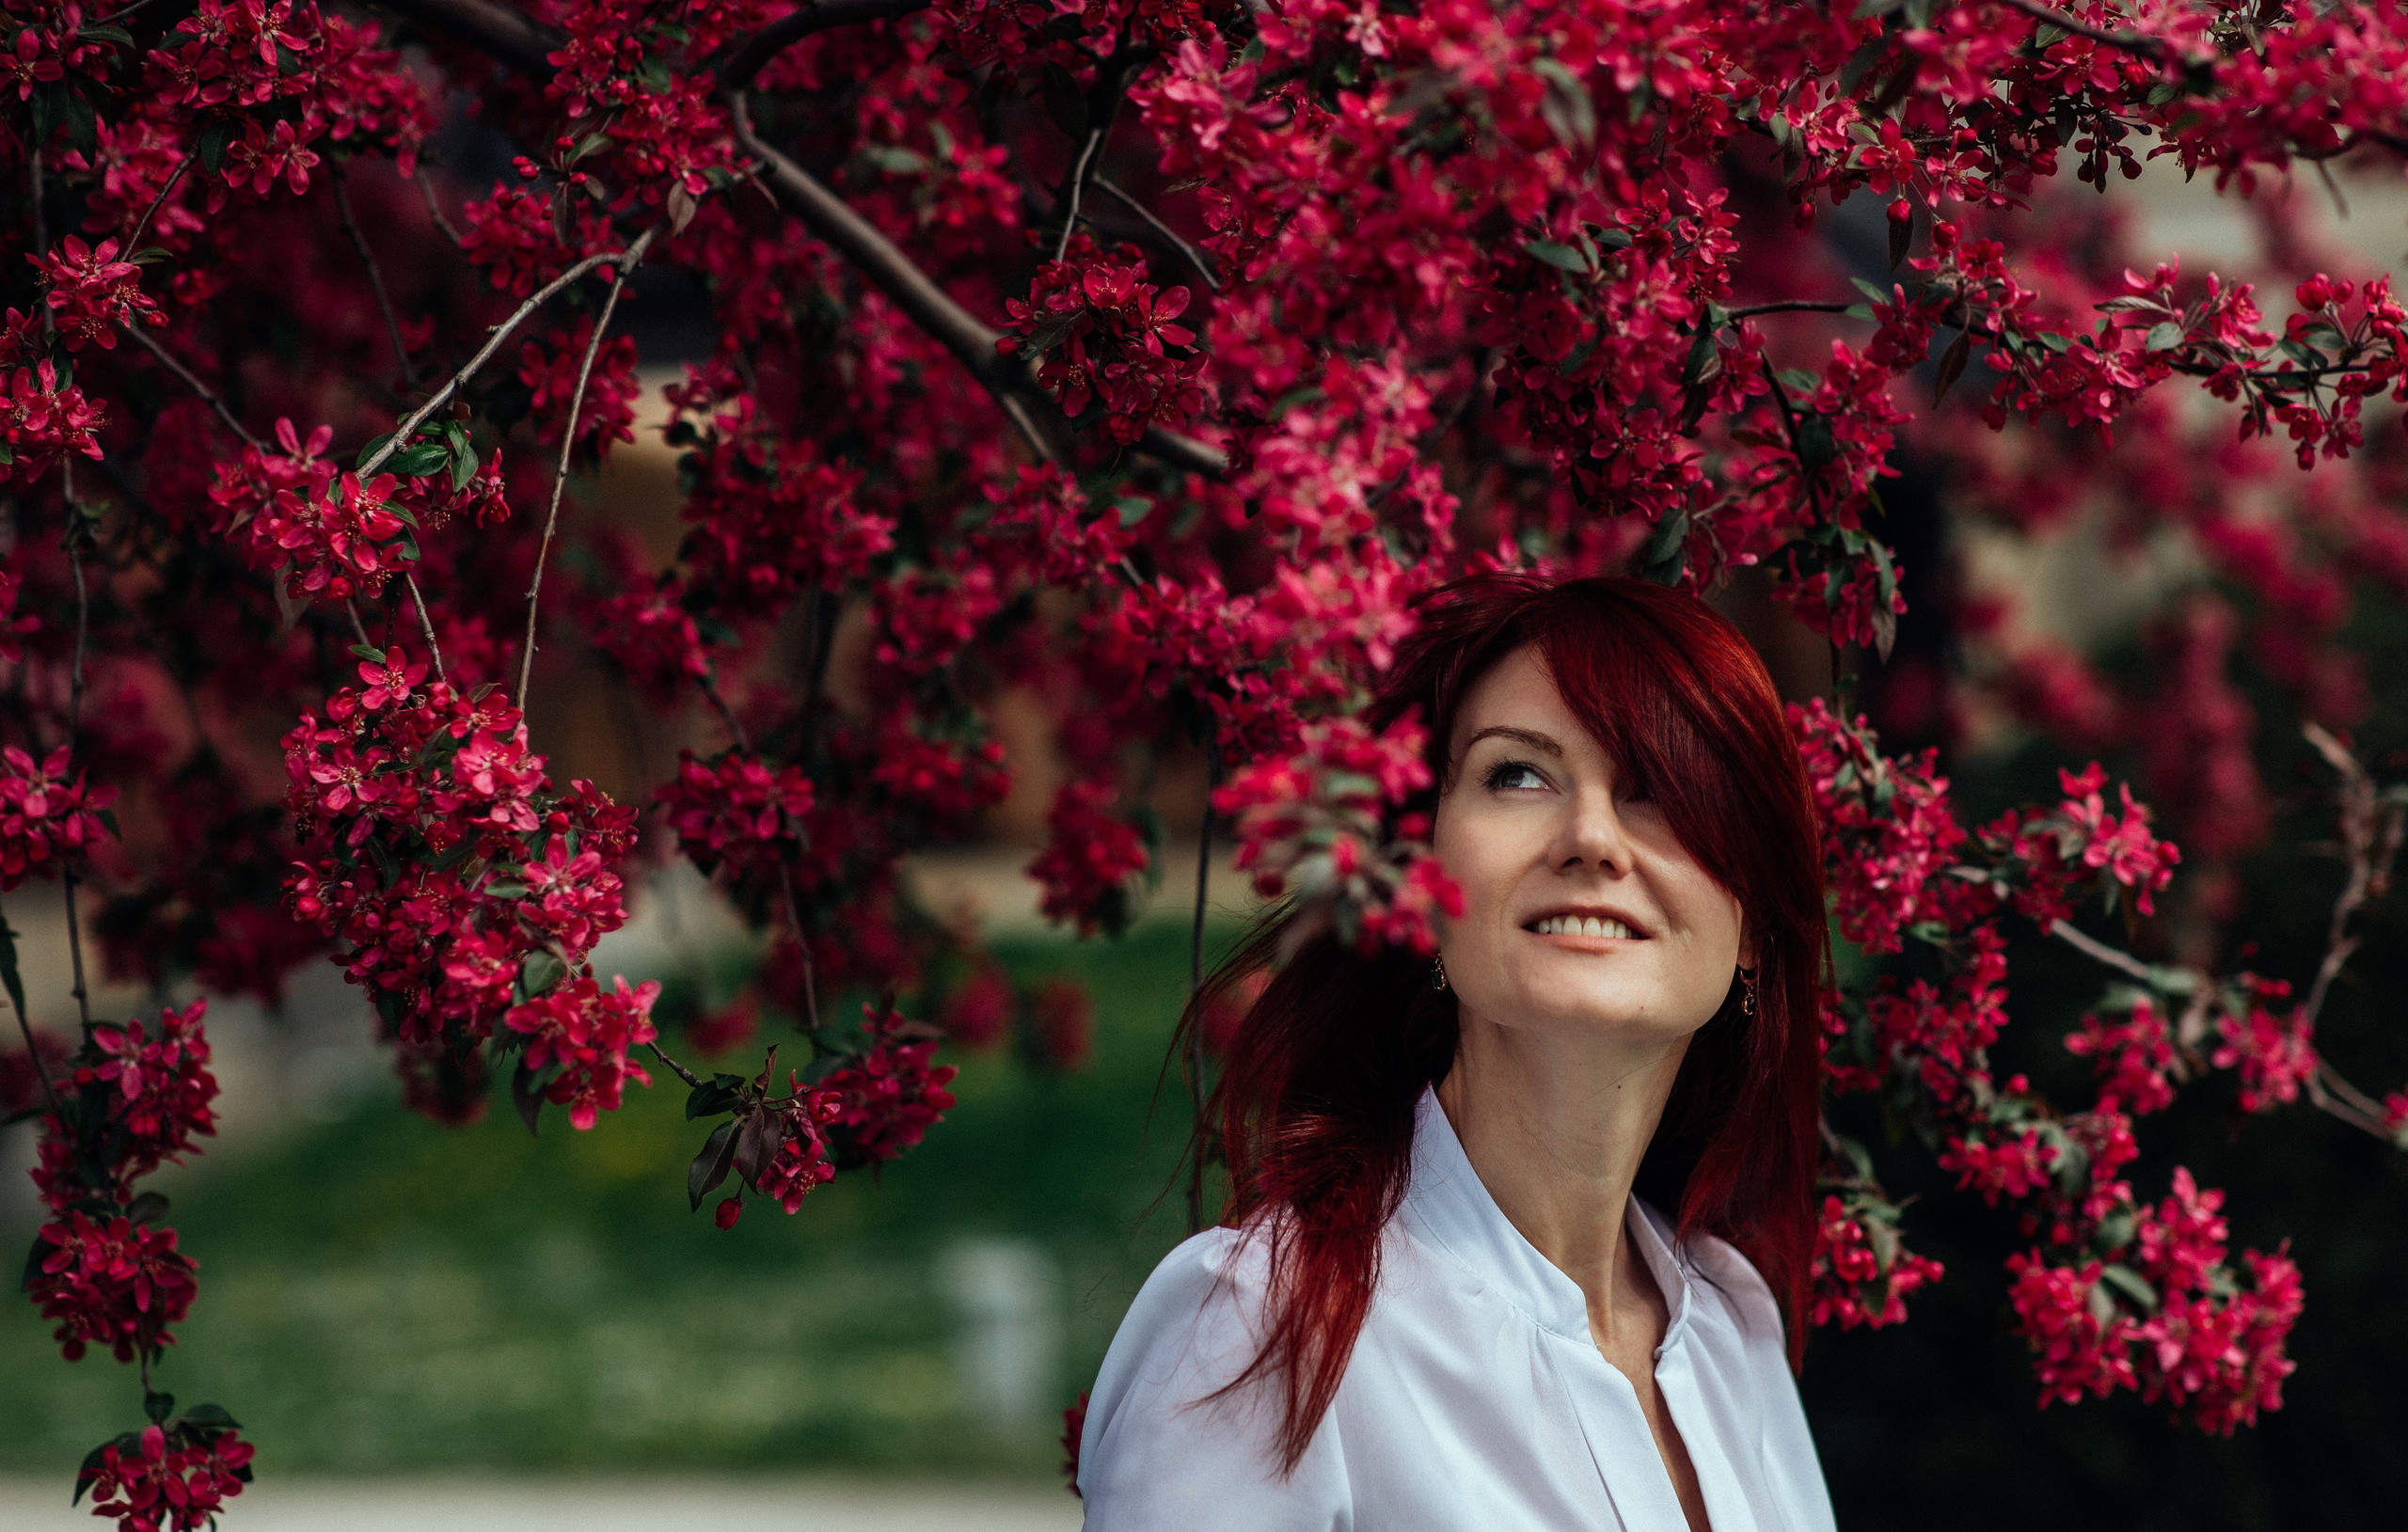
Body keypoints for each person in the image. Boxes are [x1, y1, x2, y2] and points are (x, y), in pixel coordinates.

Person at [1074, 573, 1835, 1531]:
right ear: (1420, 883)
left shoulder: (1732, 1325)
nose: (1592, 838)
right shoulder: (1268, 1326)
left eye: (1664, 785)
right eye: (1517, 774)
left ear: (1755, 931)